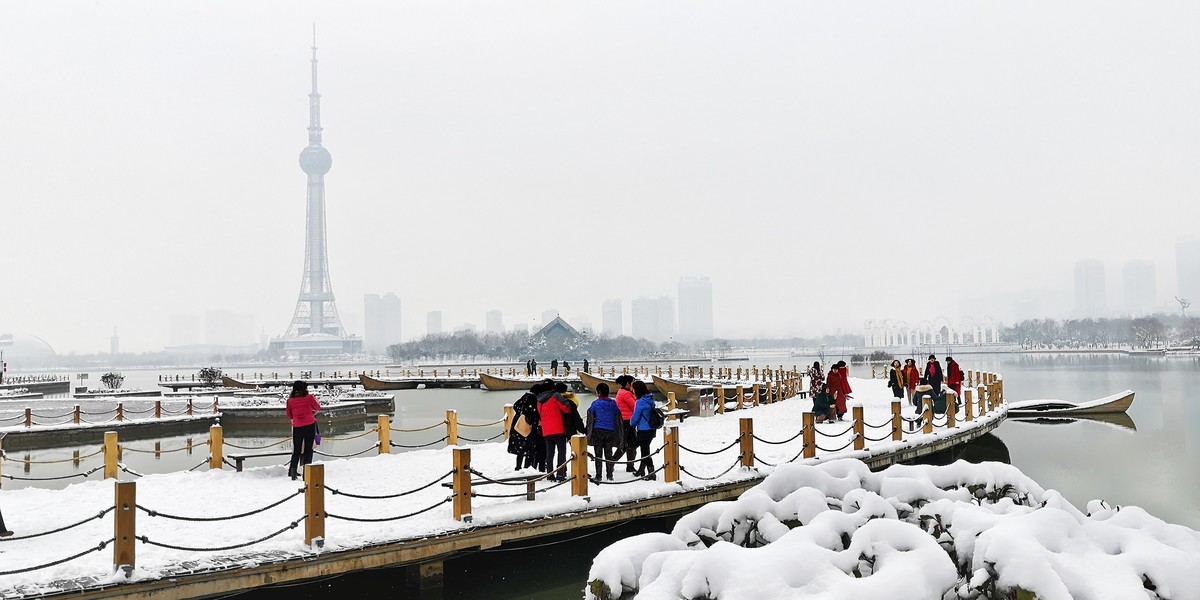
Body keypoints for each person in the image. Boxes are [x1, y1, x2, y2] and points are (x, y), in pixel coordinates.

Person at [586, 383, 624, 482]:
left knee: (598, 454)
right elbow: (617, 414)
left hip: (598, 430)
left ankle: (598, 475)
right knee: (608, 453)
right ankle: (609, 475)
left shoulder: (595, 403)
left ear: (598, 393)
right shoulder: (613, 403)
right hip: (610, 431)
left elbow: (590, 414)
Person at [536, 380, 572, 480]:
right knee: (561, 452)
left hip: (546, 430)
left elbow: (540, 414)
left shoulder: (539, 400)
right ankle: (560, 473)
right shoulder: (555, 396)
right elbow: (566, 408)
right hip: (558, 429)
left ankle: (550, 474)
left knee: (550, 453)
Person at [285, 380, 320, 481]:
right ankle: (306, 473)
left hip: (297, 426)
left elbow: (289, 415)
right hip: (309, 425)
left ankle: (293, 472)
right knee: (308, 450)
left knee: (297, 450)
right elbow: (317, 407)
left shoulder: (290, 401)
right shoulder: (309, 398)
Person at [507, 383, 545, 470]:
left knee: (520, 450)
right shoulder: (534, 400)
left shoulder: (523, 398)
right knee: (530, 450)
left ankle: (518, 466)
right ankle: (527, 468)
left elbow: (515, 406)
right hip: (529, 428)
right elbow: (534, 414)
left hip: (518, 426)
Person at [629, 379, 658, 480]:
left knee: (645, 452)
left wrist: (631, 423)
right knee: (645, 449)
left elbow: (635, 418)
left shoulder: (640, 402)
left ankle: (651, 473)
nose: (632, 390)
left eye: (633, 388)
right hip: (652, 428)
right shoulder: (650, 399)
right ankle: (641, 471)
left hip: (643, 430)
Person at [613, 375, 639, 473]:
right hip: (627, 421)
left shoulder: (624, 392)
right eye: (633, 382)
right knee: (627, 444)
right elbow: (634, 406)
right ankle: (612, 462)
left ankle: (628, 464)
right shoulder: (626, 394)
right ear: (628, 384)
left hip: (627, 420)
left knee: (629, 444)